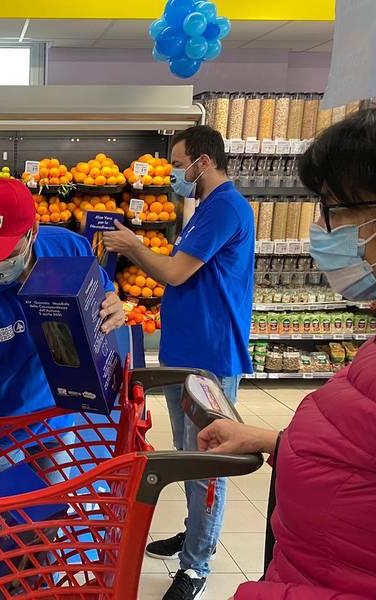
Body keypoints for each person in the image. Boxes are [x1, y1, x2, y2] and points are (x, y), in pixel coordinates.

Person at [199, 108, 376, 600]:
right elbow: (359, 459)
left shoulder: (226, 209)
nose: (323, 226)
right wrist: (276, 440)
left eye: (335, 207)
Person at [103, 125, 254, 600]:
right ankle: (194, 536)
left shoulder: (225, 207)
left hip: (210, 357)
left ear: (202, 162)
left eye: (177, 162)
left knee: (207, 462)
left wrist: (131, 247)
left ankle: (198, 564)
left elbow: (173, 271)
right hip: (185, 352)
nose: (173, 173)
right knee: (190, 457)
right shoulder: (205, 208)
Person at [0, 178, 126, 509]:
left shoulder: (70, 250)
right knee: (2, 528)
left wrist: (114, 303)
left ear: (32, 231)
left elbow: (106, 292)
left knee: (50, 513)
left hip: (56, 411)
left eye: (1, 254)